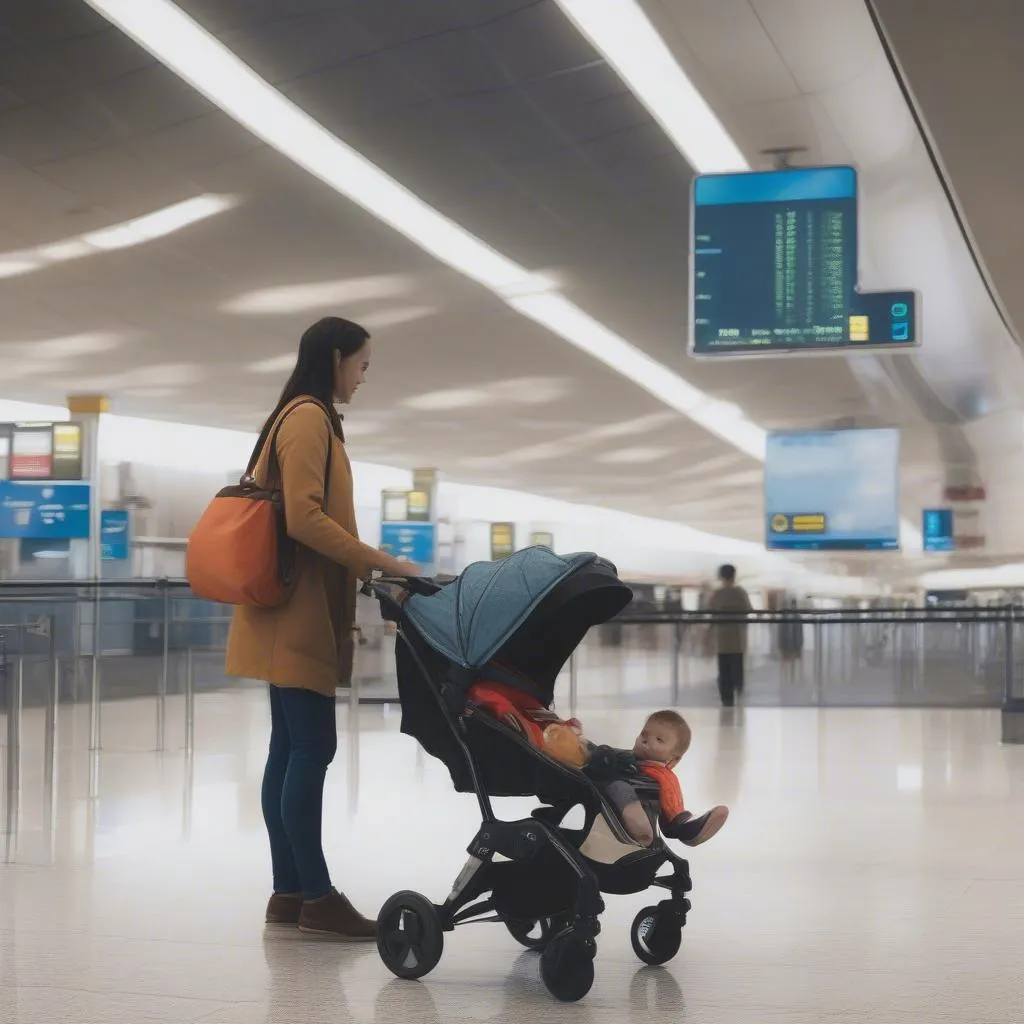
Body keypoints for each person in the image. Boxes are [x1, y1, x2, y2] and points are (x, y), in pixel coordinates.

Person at [226, 316, 419, 940]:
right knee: (311, 749)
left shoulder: (294, 414)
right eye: (361, 365)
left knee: (289, 749)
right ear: (336, 357)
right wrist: (382, 562)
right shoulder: (308, 416)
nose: (363, 378)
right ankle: (317, 895)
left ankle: (287, 891)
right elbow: (305, 519)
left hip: (287, 608)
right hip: (297, 611)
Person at [586, 710, 729, 848]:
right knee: (619, 787)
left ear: (673, 760)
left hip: (654, 804)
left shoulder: (665, 776)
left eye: (659, 740)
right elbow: (606, 753)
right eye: (643, 734)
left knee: (665, 795)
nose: (646, 741)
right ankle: (640, 824)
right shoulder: (627, 758)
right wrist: (589, 747)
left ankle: (683, 825)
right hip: (621, 790)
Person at [706, 564, 753, 707]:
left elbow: (711, 612)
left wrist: (708, 635)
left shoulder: (716, 594)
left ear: (721, 576)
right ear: (734, 575)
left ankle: (726, 699)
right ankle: (738, 691)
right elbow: (748, 609)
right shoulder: (740, 592)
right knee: (737, 667)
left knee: (723, 669)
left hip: (722, 639)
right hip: (737, 638)